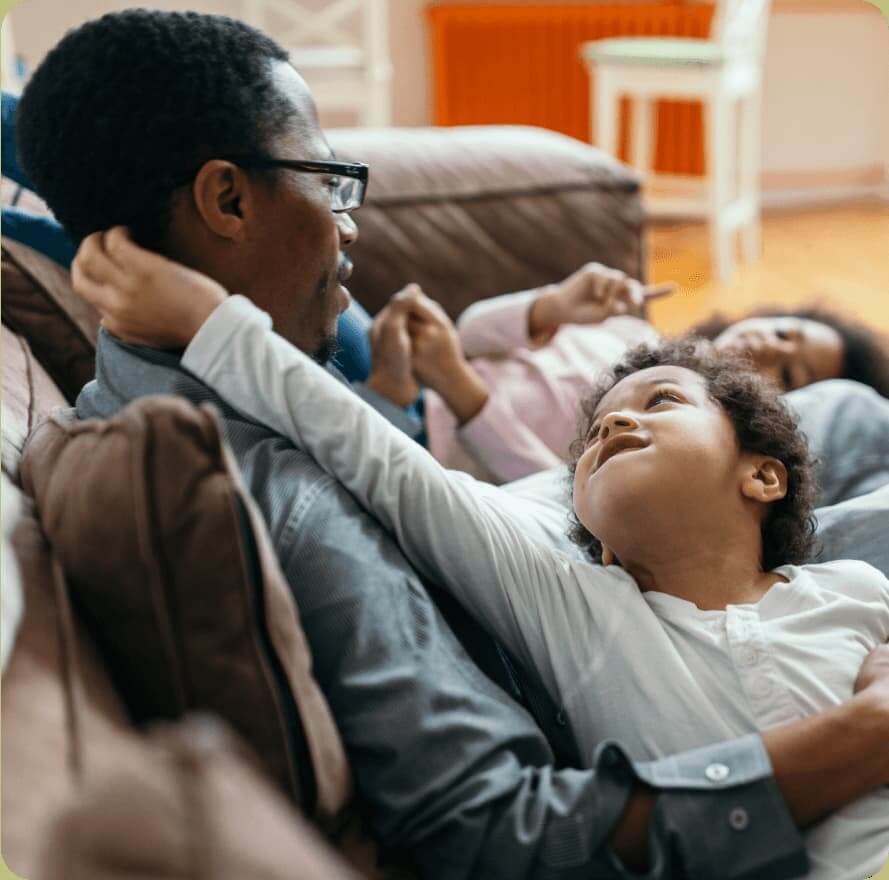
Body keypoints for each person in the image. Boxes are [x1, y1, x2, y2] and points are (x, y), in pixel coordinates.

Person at [18, 10, 889, 878]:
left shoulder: (154, 387)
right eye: (331, 180)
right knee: (848, 413)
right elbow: (498, 830)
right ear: (228, 198)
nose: (349, 225)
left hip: (602, 536)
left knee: (841, 415)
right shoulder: (289, 505)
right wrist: (865, 734)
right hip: (613, 597)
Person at [70, 233, 889, 880]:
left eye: (661, 403)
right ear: (587, 524)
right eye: (596, 430)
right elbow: (384, 464)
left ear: (762, 474)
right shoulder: (576, 605)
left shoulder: (851, 585)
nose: (608, 426)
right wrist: (213, 323)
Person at [370, 273, 889, 484]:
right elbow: (470, 334)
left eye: (788, 372)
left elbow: (556, 488)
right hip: (410, 371)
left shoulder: (678, 430)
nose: (768, 348)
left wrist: (463, 392)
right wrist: (554, 303)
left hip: (423, 443)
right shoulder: (628, 326)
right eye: (784, 332)